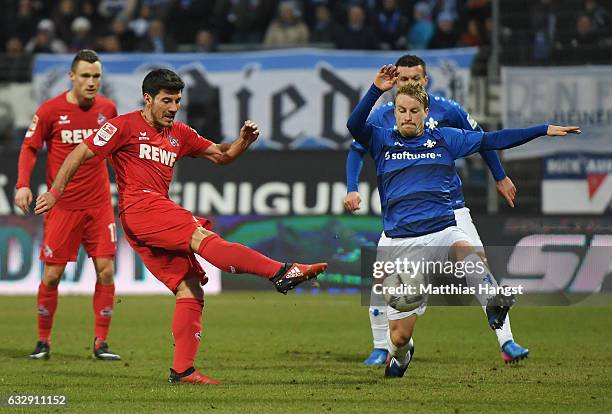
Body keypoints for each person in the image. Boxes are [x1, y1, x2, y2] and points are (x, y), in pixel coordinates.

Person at [34, 69, 328, 385]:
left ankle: (183, 370)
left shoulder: (180, 133)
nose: (173, 108)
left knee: (189, 287)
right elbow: (80, 152)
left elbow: (221, 155)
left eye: (177, 101)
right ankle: (280, 272)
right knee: (201, 236)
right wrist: (55, 192)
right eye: (166, 100)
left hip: (149, 217)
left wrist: (243, 141)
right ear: (148, 99)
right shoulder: (123, 126)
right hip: (140, 207)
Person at [346, 65, 580, 377]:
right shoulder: (381, 140)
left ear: (426, 112)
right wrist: (375, 89)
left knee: (465, 249)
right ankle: (401, 355)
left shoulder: (445, 138)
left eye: (414, 111)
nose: (406, 116)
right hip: (401, 243)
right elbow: (353, 125)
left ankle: (495, 305)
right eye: (401, 110)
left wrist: (542, 129)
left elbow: (493, 139)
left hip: (442, 230)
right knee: (399, 335)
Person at [15, 49, 121, 361]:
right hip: (62, 207)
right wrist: (22, 184)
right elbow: (29, 147)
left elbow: (117, 151)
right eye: (86, 76)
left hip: (99, 204)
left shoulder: (108, 109)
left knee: (106, 271)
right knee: (51, 276)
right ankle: (43, 341)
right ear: (71, 76)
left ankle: (101, 343)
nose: (92, 82)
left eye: (97, 76)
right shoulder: (50, 111)